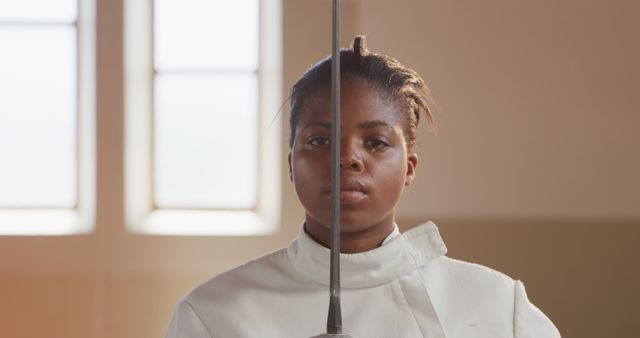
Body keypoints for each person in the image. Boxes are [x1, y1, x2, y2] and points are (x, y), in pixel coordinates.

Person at [165, 36, 561, 338]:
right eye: (320, 141)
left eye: (375, 142)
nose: (347, 159)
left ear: (409, 168)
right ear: (291, 164)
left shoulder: (497, 305)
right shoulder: (213, 315)